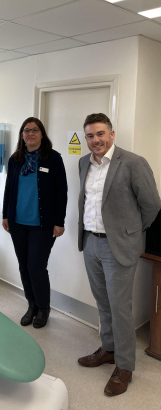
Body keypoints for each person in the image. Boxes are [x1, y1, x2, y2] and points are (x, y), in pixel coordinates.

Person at [77, 113, 161, 396]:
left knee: (120, 308)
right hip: (90, 243)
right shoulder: (82, 163)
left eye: (100, 134)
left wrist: (130, 233)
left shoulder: (134, 163)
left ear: (112, 134)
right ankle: (109, 349)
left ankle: (125, 366)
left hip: (118, 248)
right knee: (103, 303)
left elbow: (151, 206)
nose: (95, 140)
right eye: (90, 135)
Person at [2, 117, 67, 329]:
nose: (30, 134)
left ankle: (43, 307)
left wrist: (60, 221)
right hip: (18, 223)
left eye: (35, 130)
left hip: (43, 224)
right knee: (23, 266)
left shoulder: (53, 159)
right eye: (26, 130)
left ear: (42, 134)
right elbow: (9, 189)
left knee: (36, 267)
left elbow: (61, 192)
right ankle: (31, 305)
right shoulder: (15, 159)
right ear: (22, 135)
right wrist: (5, 215)